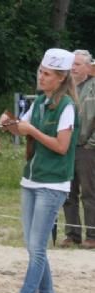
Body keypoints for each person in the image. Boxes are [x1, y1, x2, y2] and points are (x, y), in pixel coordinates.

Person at [0, 48, 79, 293]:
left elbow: (61, 146)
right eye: (40, 72)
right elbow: (22, 129)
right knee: (33, 246)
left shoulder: (67, 106)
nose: (41, 77)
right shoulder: (40, 103)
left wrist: (31, 130)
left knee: (37, 248)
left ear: (59, 78)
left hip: (53, 185)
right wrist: (9, 125)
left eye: (46, 74)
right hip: (30, 180)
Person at [61, 49, 95, 249]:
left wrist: (91, 144)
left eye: (78, 64)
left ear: (88, 67)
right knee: (67, 193)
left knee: (90, 193)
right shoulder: (65, 88)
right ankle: (72, 234)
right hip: (66, 147)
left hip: (87, 148)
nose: (73, 68)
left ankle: (92, 235)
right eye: (72, 64)